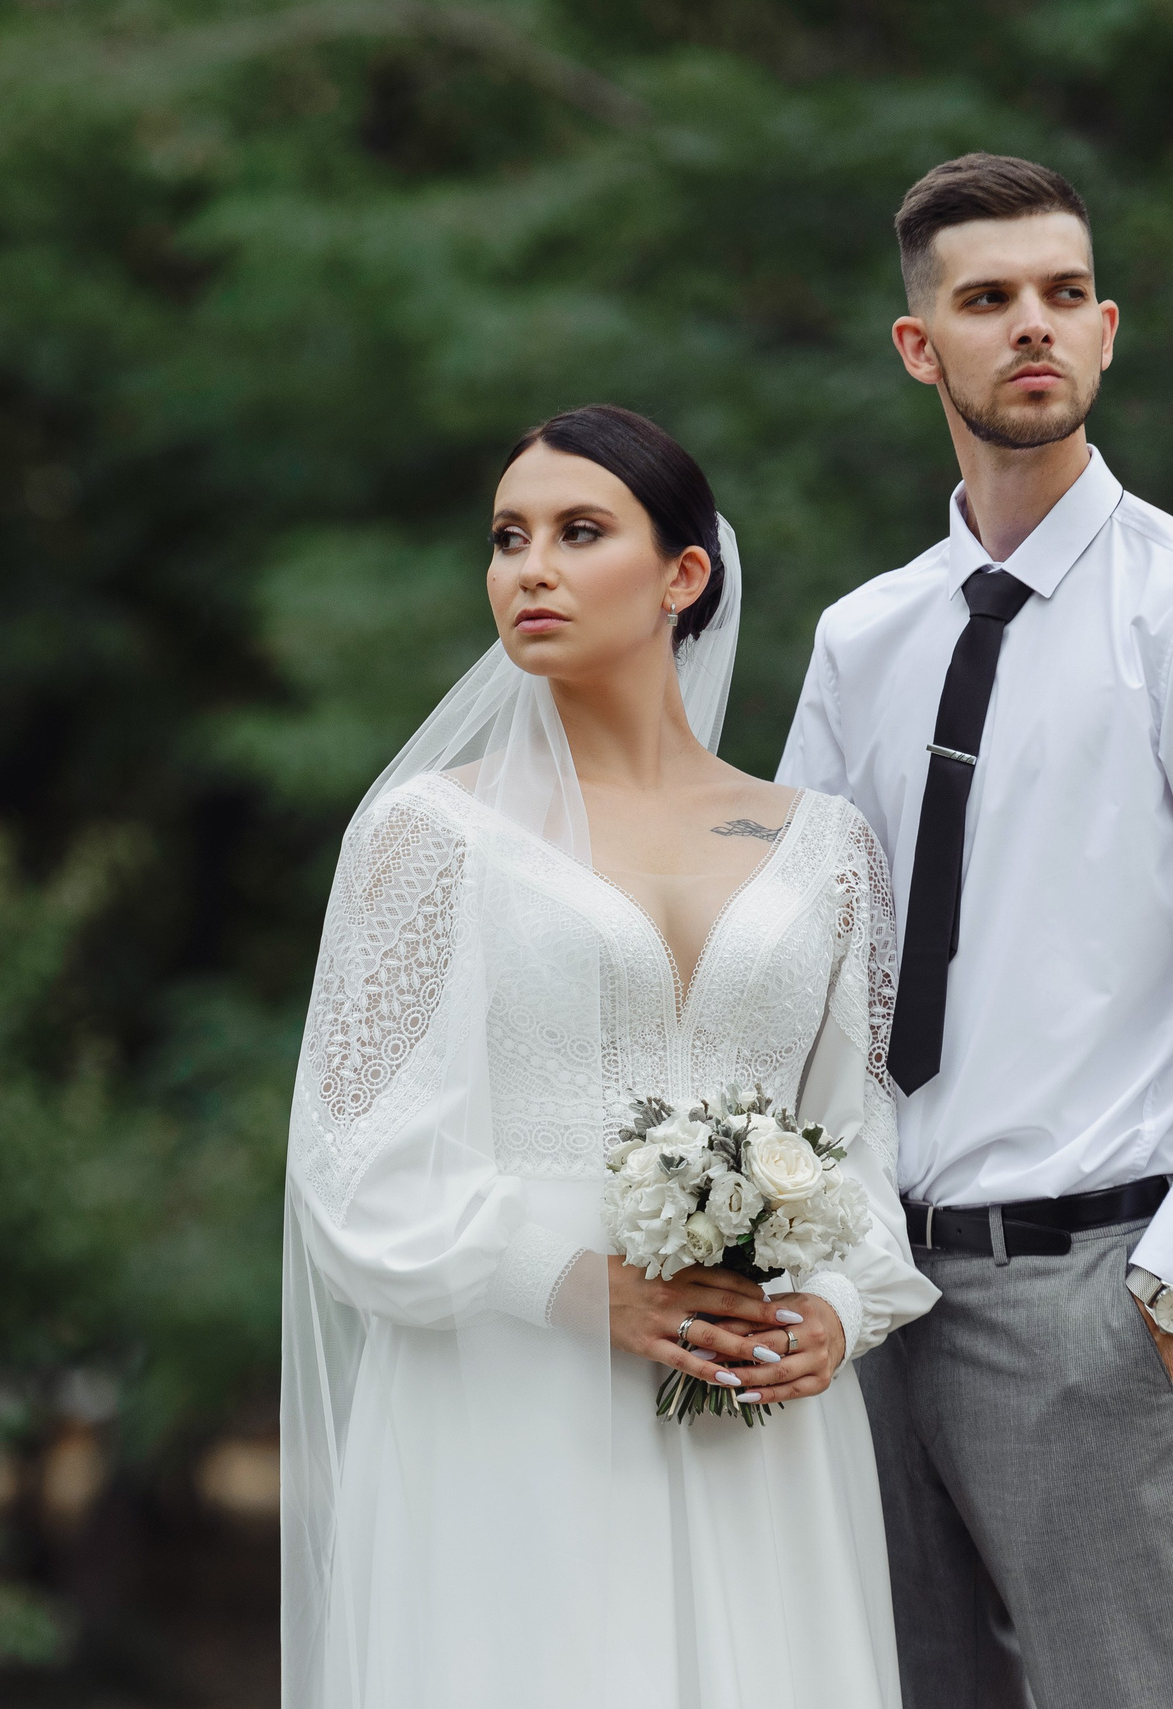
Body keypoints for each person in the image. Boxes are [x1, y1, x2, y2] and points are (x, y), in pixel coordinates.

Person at [777, 153, 1173, 1709]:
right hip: (874, 1300)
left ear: (1106, 332)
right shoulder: (865, 639)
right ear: (924, 347)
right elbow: (806, 960)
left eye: (1060, 297)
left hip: (1091, 1295)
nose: (1029, 328)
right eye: (986, 301)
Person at [281, 404, 940, 1708]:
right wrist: (577, 1281)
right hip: (520, 1391)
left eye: (580, 532)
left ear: (683, 576)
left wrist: (841, 1310)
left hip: (758, 1408)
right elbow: (344, 1163)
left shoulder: (826, 846)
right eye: (508, 537)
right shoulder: (429, 836)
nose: (529, 567)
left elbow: (859, 1140)